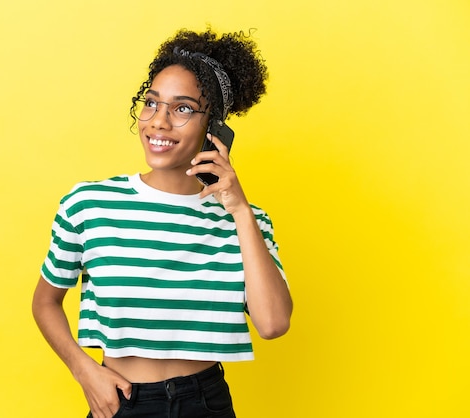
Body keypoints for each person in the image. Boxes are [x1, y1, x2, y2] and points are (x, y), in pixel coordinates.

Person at [32, 27, 293, 418]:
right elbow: (45, 302)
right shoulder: (89, 204)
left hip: (205, 402)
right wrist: (83, 369)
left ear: (214, 128)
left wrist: (239, 210)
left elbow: (273, 323)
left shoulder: (248, 221)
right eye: (152, 103)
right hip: (119, 400)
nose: (159, 122)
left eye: (183, 108)